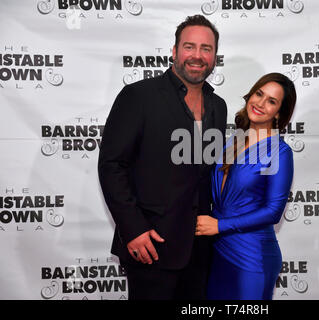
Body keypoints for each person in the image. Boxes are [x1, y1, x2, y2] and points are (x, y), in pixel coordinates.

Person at [98, 15, 227, 300]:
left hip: (200, 247)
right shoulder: (138, 96)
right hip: (151, 245)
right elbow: (112, 166)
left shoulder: (219, 106)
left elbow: (205, 173)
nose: (197, 55)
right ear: (174, 51)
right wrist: (133, 230)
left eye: (206, 48)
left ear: (215, 56)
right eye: (189, 46)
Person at [195, 73, 296, 300]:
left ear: (279, 112)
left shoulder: (280, 152)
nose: (260, 103)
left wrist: (220, 225)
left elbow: (273, 211)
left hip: (251, 257)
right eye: (259, 94)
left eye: (271, 101)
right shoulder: (233, 140)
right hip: (217, 251)